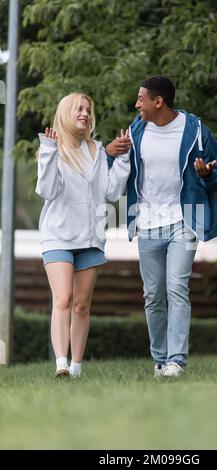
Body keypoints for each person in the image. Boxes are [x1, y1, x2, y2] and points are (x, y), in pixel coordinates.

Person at [125, 75, 217, 377]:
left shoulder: (194, 129)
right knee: (153, 295)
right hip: (148, 222)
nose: (136, 104)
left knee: (177, 288)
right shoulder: (137, 129)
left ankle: (176, 361)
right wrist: (112, 154)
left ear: (159, 102)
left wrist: (207, 174)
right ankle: (160, 359)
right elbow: (123, 170)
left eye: (141, 99)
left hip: (184, 219)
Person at [36, 92, 131, 378]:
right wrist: (50, 151)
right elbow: (47, 190)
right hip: (58, 237)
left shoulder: (98, 151)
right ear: (65, 113)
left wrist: (123, 159)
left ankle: (76, 367)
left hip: (90, 238)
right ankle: (61, 363)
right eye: (78, 108)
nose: (84, 113)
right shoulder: (53, 148)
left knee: (82, 305)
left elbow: (112, 191)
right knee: (63, 298)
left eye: (88, 109)